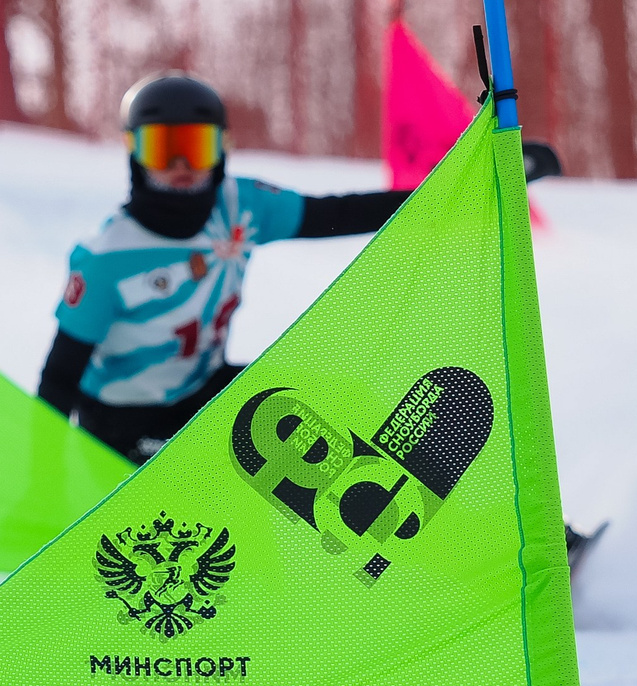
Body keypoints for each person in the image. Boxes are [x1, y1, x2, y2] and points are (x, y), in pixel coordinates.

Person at [37, 72, 408, 463]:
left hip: (204, 391)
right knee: (208, 489)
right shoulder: (105, 259)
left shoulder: (240, 207)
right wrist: (42, 485)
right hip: (121, 420)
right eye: (163, 149)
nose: (181, 165)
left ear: (222, 148)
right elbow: (59, 379)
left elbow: (336, 213)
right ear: (134, 152)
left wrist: (443, 198)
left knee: (336, 401)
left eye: (196, 147)